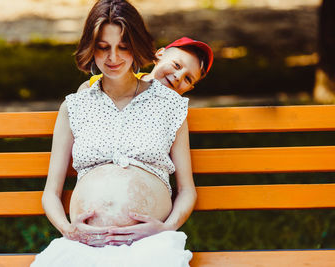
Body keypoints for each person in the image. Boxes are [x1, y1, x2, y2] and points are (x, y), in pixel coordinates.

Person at [31, 0, 197, 266]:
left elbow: (187, 190)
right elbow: (51, 193)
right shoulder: (75, 106)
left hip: (149, 244)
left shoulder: (170, 105)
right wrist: (68, 230)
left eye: (123, 47)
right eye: (103, 47)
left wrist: (166, 229)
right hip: (83, 244)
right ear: (90, 47)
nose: (113, 58)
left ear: (137, 47)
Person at [79, 36, 214, 96]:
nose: (178, 77)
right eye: (177, 65)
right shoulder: (123, 80)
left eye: (188, 79)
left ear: (189, 88)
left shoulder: (172, 109)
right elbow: (88, 87)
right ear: (159, 55)